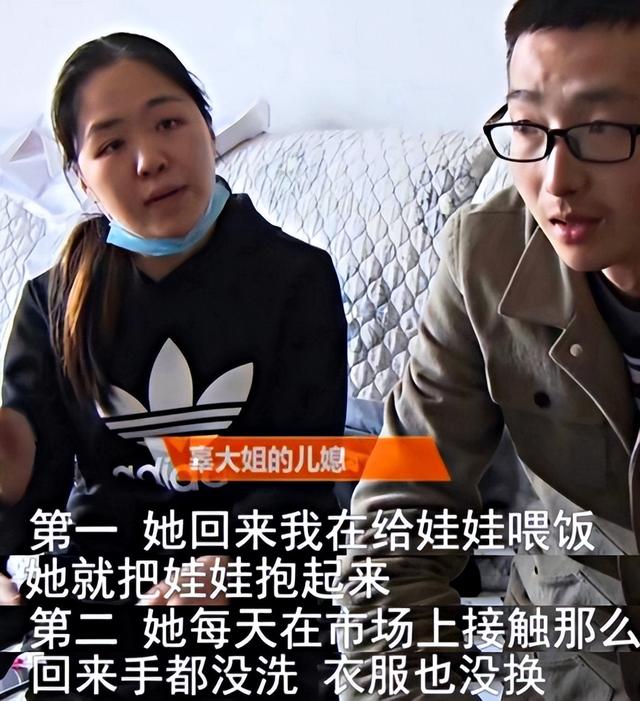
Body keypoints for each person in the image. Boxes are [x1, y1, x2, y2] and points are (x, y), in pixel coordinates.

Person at [0, 32, 347, 697]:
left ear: (207, 130)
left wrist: (232, 565)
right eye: (111, 145)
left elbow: (301, 471)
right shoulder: (52, 302)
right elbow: (33, 476)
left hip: (262, 578)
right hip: (107, 581)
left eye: (168, 123)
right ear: (81, 177)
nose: (150, 160)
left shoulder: (295, 278)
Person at [344, 1, 640, 699]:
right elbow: (400, 509)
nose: (556, 180)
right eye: (529, 127)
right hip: (567, 657)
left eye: (599, 128)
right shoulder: (485, 255)